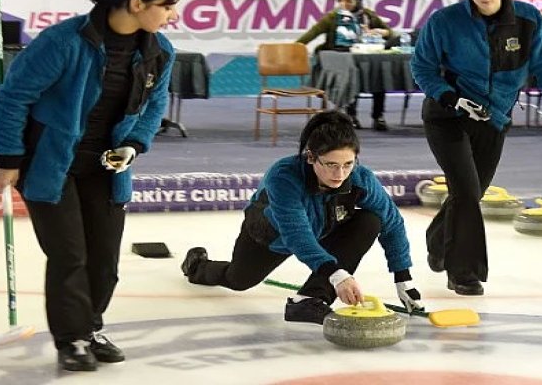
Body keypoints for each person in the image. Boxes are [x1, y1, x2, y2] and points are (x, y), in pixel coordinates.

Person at [0, 0, 184, 372]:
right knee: (69, 256)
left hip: (106, 169)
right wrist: (8, 156)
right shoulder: (64, 41)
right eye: (167, 6)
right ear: (136, 3)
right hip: (49, 165)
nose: (174, 15)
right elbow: (13, 97)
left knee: (104, 261)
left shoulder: (159, 52)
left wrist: (133, 145)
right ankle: (72, 339)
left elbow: (153, 107)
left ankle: (90, 326)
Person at [410, 0, 542, 296]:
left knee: (471, 193)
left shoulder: (528, 20)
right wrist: (450, 96)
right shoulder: (445, 21)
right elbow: (421, 67)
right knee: (467, 193)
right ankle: (464, 273)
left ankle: (438, 239)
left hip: (493, 118)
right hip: (447, 117)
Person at [181, 110, 423, 324]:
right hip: (273, 235)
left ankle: (309, 300)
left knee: (370, 220)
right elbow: (297, 235)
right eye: (330, 164)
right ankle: (197, 266)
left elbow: (393, 224)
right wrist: (339, 275)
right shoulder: (283, 176)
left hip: (323, 228)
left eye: (348, 164)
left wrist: (404, 279)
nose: (340, 173)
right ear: (310, 157)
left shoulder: (361, 179)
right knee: (238, 279)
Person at [296, 0, 393, 131]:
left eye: (349, 1)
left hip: (364, 56)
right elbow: (312, 33)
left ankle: (378, 116)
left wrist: (380, 32)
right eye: (342, 0)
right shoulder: (332, 17)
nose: (345, 4)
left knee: (378, 74)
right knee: (349, 74)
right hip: (340, 56)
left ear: (358, 0)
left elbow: (390, 33)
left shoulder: (368, 16)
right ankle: (351, 115)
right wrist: (295, 46)